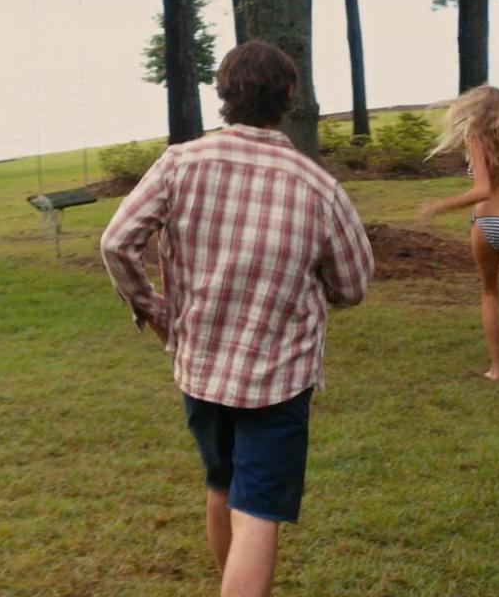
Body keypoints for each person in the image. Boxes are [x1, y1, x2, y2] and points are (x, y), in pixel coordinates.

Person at [100, 41, 374, 597]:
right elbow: (352, 285)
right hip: (279, 376)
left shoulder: (179, 163)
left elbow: (116, 242)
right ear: (290, 96)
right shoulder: (318, 187)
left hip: (200, 367)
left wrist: (153, 308)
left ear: (223, 94)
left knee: (221, 486)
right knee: (257, 513)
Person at [417, 86, 499, 381]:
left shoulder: (476, 136)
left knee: (489, 291)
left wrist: (440, 206)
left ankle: (496, 368)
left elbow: (483, 190)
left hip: (487, 222)